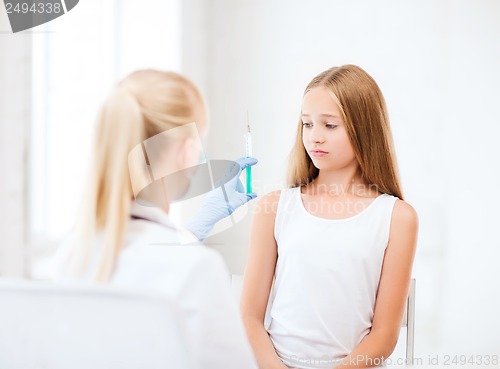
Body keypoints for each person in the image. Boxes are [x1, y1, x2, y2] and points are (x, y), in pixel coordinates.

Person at [57, 69, 258, 369]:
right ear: (186, 152)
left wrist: (191, 233)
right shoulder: (196, 269)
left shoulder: (73, 252)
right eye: (199, 141)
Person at [240, 65, 418, 369]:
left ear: (364, 129)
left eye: (329, 126)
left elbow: (384, 335)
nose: (314, 137)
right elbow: (249, 317)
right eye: (307, 124)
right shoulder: (275, 207)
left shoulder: (396, 218)